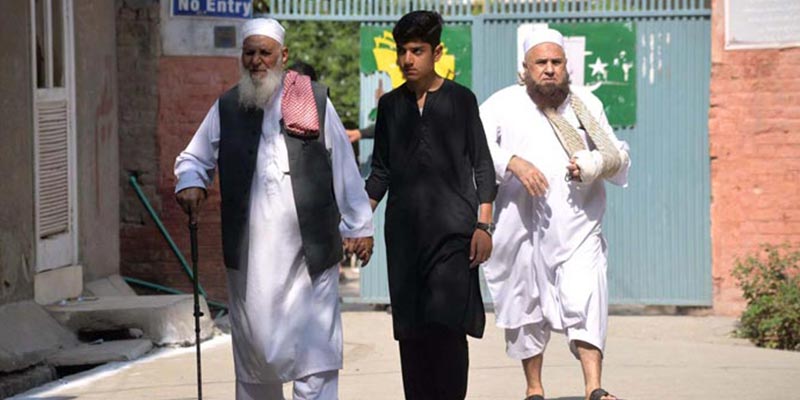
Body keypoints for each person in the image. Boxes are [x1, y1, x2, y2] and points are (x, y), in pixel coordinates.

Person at [174, 18, 374, 400]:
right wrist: (191, 182)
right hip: (252, 265)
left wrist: (358, 225)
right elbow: (193, 157)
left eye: (264, 52)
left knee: (315, 358)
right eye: (249, 53)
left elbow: (343, 165)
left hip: (309, 258)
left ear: (283, 56)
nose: (256, 61)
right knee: (256, 359)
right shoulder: (229, 106)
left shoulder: (312, 101)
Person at [479, 28, 630, 400]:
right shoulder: (501, 104)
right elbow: (476, 150)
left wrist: (592, 164)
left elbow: (616, 154)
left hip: (578, 223)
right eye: (541, 63)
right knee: (524, 303)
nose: (549, 70)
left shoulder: (586, 104)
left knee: (587, 295)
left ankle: (594, 386)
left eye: (556, 62)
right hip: (519, 225)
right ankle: (534, 388)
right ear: (525, 68)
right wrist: (513, 162)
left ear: (566, 66)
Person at [364, 11, 497, 400]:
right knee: (412, 332)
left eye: (417, 51)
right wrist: (357, 222)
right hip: (404, 239)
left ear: (436, 52)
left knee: (447, 330)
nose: (408, 60)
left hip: (454, 236)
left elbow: (483, 164)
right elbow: (380, 172)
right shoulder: (390, 106)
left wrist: (483, 226)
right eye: (403, 51)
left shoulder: (461, 100)